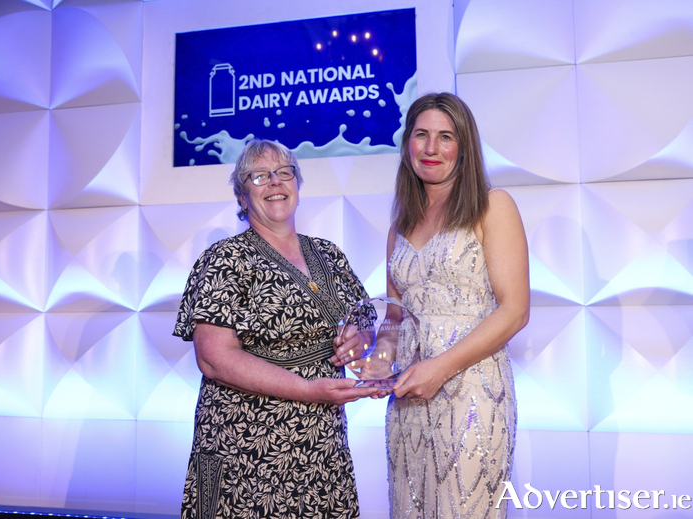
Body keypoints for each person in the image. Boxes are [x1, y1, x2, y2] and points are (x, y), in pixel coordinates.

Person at [173, 138, 378, 519]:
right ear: (241, 195)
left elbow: (364, 319)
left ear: (297, 185)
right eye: (260, 176)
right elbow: (213, 358)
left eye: (284, 173)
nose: (275, 182)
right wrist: (305, 390)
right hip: (245, 448)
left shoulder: (328, 253)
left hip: (321, 446)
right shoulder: (224, 259)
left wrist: (358, 340)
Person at [384, 92, 530, 518]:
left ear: (463, 147)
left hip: (472, 392)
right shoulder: (398, 227)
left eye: (445, 137)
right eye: (421, 135)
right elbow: (395, 317)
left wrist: (439, 368)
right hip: (409, 397)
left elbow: (515, 310)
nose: (431, 149)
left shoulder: (493, 206)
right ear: (407, 143)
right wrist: (373, 359)